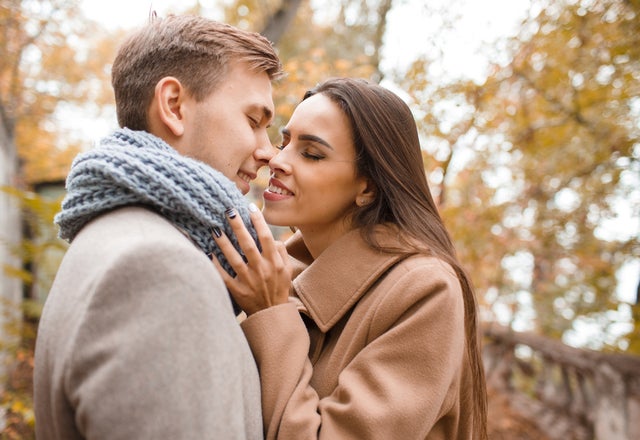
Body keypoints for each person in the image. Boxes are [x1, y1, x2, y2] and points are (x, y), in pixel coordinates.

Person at [34, 14, 283, 439]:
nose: (268, 152)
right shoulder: (158, 268)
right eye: (254, 121)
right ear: (173, 106)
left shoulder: (119, 239)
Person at [212, 77, 489, 439]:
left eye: (311, 154)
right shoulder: (272, 272)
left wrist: (270, 314)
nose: (277, 160)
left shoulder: (425, 290)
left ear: (368, 187)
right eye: (285, 143)